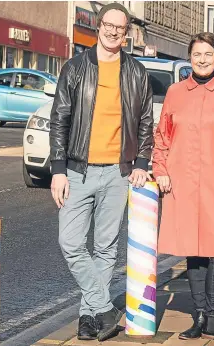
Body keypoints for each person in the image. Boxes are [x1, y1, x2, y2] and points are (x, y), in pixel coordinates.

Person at [49, 3, 153, 342]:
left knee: (106, 248)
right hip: (78, 171)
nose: (113, 31)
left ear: (127, 34)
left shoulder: (137, 72)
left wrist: (140, 163)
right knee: (71, 242)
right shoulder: (76, 68)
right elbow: (60, 119)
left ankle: (88, 317)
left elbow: (145, 123)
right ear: (98, 26)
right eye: (108, 25)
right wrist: (58, 170)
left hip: (118, 173)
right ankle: (105, 308)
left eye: (120, 28)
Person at [152, 32, 214, 343]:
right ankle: (199, 317)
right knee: (193, 251)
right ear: (189, 57)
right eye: (197, 54)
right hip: (183, 185)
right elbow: (162, 137)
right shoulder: (175, 93)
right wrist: (161, 170)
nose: (202, 59)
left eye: (208, 54)